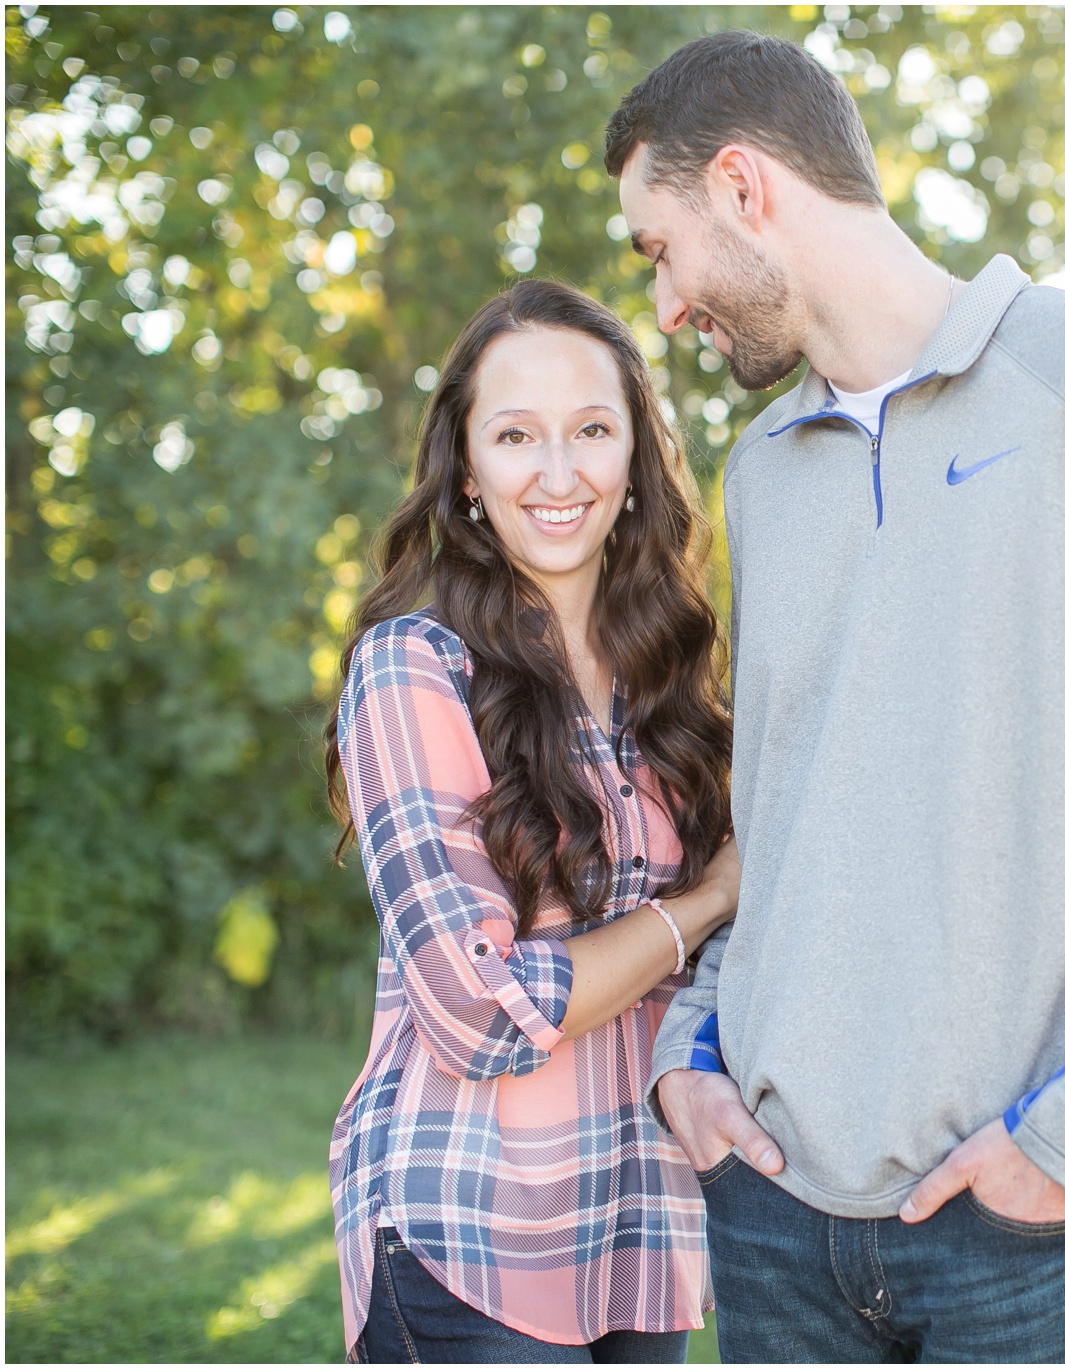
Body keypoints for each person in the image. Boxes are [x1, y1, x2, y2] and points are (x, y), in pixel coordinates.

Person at [605, 31, 1065, 1365]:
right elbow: (769, 810)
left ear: (746, 187)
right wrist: (687, 1058)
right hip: (774, 1215)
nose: (667, 308)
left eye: (660, 248)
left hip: (1033, 1232)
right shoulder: (764, 472)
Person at [323, 280, 737, 1363]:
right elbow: (478, 1012)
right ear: (466, 470)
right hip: (470, 1241)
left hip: (642, 1237)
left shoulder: (677, 686)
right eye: (515, 436)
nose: (558, 475)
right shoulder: (413, 667)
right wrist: (707, 898)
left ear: (637, 457)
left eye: (592, 430)